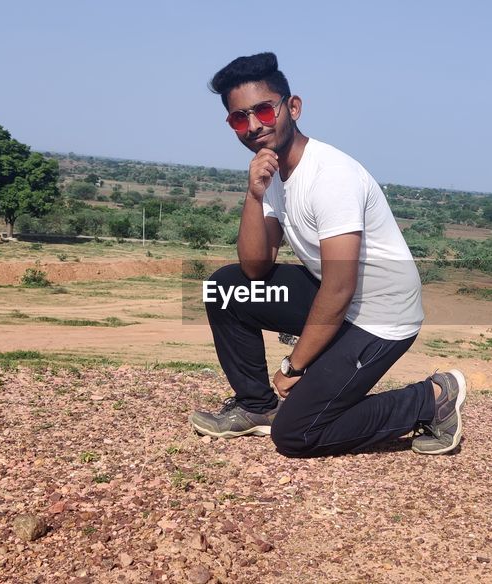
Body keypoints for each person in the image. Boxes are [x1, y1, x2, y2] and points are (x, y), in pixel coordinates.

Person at [189, 52, 465, 457]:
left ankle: (431, 398)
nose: (252, 127)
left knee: (297, 435)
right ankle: (255, 406)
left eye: (264, 111)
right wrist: (253, 194)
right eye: (238, 118)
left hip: (379, 315)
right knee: (226, 288)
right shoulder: (273, 172)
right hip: (336, 296)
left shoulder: (330, 176)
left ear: (292, 107)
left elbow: (339, 287)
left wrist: (293, 367)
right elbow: (254, 267)